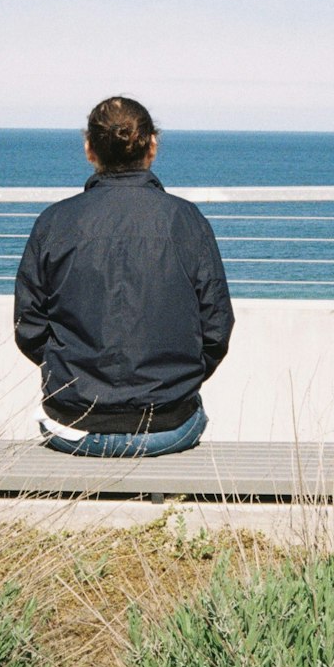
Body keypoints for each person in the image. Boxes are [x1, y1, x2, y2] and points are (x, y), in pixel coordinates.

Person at [14, 96, 234, 456]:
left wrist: (73, 376)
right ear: (152, 146)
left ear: (89, 149)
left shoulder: (54, 222)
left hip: (72, 426)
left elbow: (28, 326)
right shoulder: (187, 220)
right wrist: (172, 387)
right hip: (168, 426)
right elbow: (217, 327)